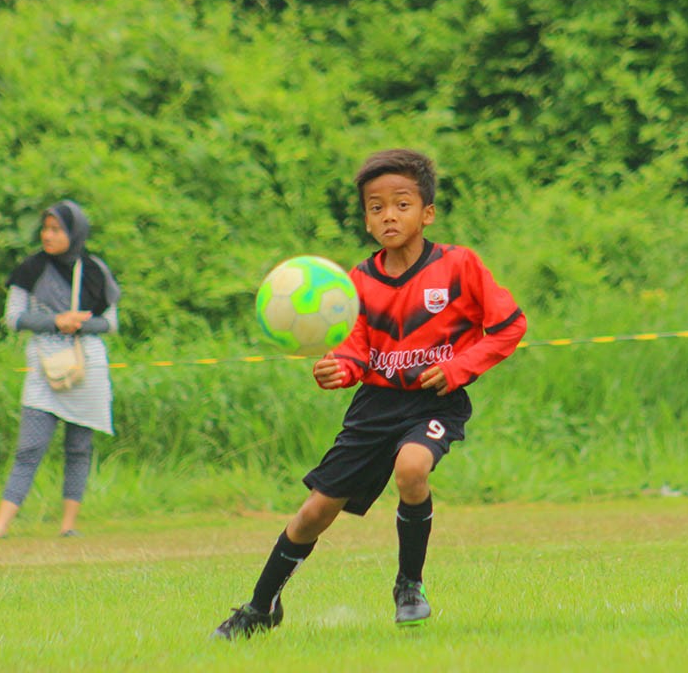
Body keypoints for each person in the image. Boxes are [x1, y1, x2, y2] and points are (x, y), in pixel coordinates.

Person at [212, 149, 528, 639]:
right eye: (376, 207)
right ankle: (259, 607)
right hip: (374, 409)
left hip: (433, 403)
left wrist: (459, 367)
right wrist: (338, 368)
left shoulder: (459, 266)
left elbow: (509, 327)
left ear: (427, 213)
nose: (389, 216)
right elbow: (357, 351)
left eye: (402, 204)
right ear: (365, 218)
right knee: (314, 512)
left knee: (412, 467)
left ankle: (409, 585)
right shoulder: (356, 282)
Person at [0, 200, 121, 540]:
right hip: (45, 368)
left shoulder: (95, 269)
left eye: (56, 229)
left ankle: (68, 526)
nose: (48, 235)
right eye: (45, 228)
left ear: (75, 232)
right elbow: (14, 317)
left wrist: (79, 324)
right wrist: (55, 321)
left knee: (79, 448)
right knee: (29, 448)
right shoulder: (31, 269)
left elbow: (110, 323)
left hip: (88, 369)